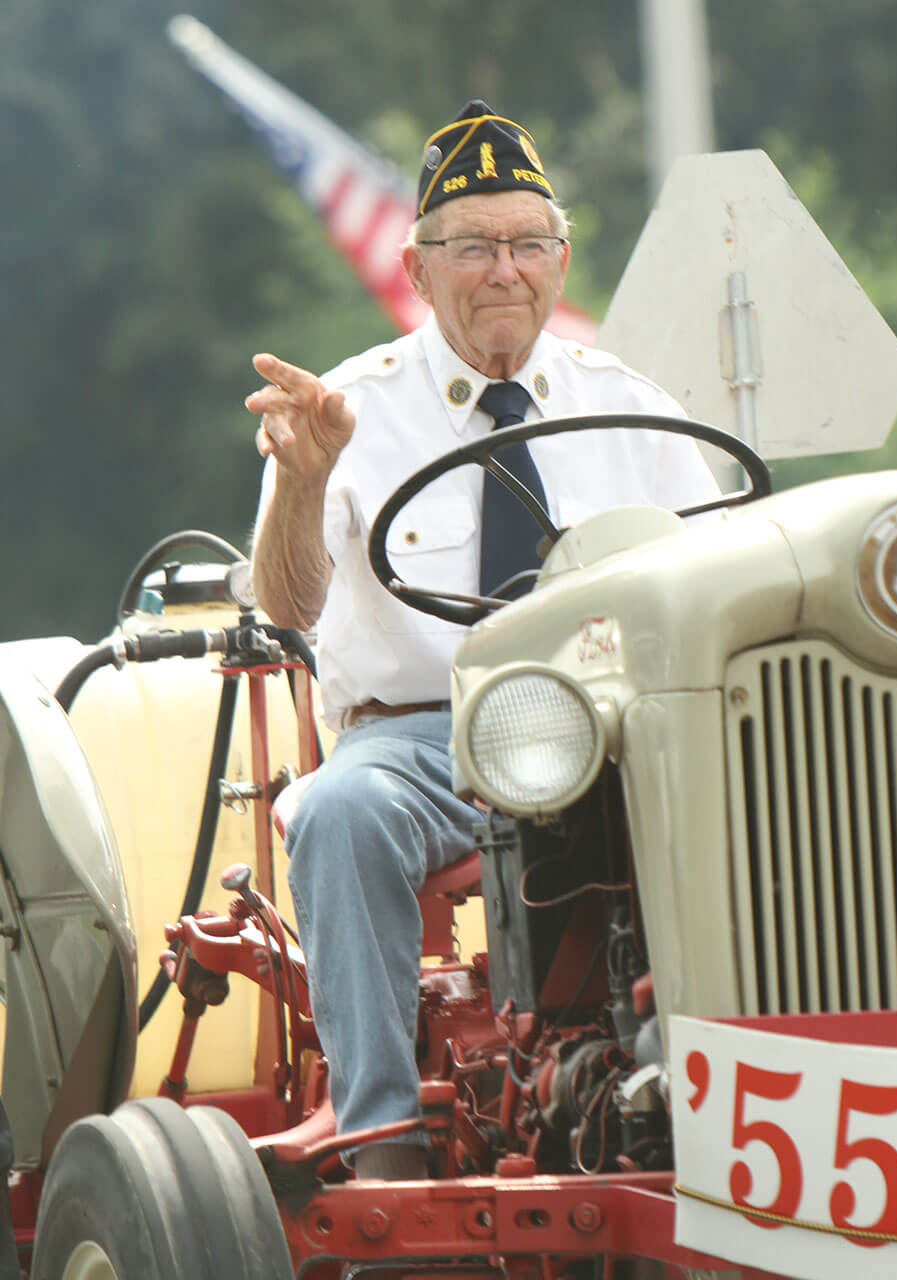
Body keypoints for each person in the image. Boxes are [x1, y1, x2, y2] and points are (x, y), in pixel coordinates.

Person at [247, 100, 719, 1180]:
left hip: (616, 737)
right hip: (423, 743)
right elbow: (286, 607)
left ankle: (751, 1070)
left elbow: (719, 585)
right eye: (472, 247)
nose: (503, 270)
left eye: (524, 244)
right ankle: (381, 1140)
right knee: (337, 807)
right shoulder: (340, 413)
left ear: (559, 259)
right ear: (417, 266)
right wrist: (305, 479)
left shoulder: (633, 410)